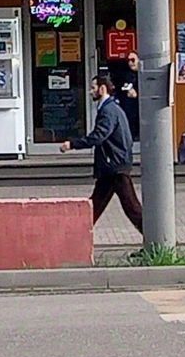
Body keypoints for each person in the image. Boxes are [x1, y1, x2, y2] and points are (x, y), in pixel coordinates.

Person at [60, 75, 144, 235]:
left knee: (130, 207)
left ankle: (153, 238)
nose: (90, 91)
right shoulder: (112, 108)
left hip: (114, 166)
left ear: (102, 88)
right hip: (113, 166)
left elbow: (99, 136)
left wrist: (72, 144)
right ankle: (77, 235)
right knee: (98, 204)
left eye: (93, 88)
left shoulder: (108, 111)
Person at [118, 51, 142, 139]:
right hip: (129, 111)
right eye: (128, 60)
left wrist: (137, 94)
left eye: (133, 60)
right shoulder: (125, 75)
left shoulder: (144, 75)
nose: (130, 63)